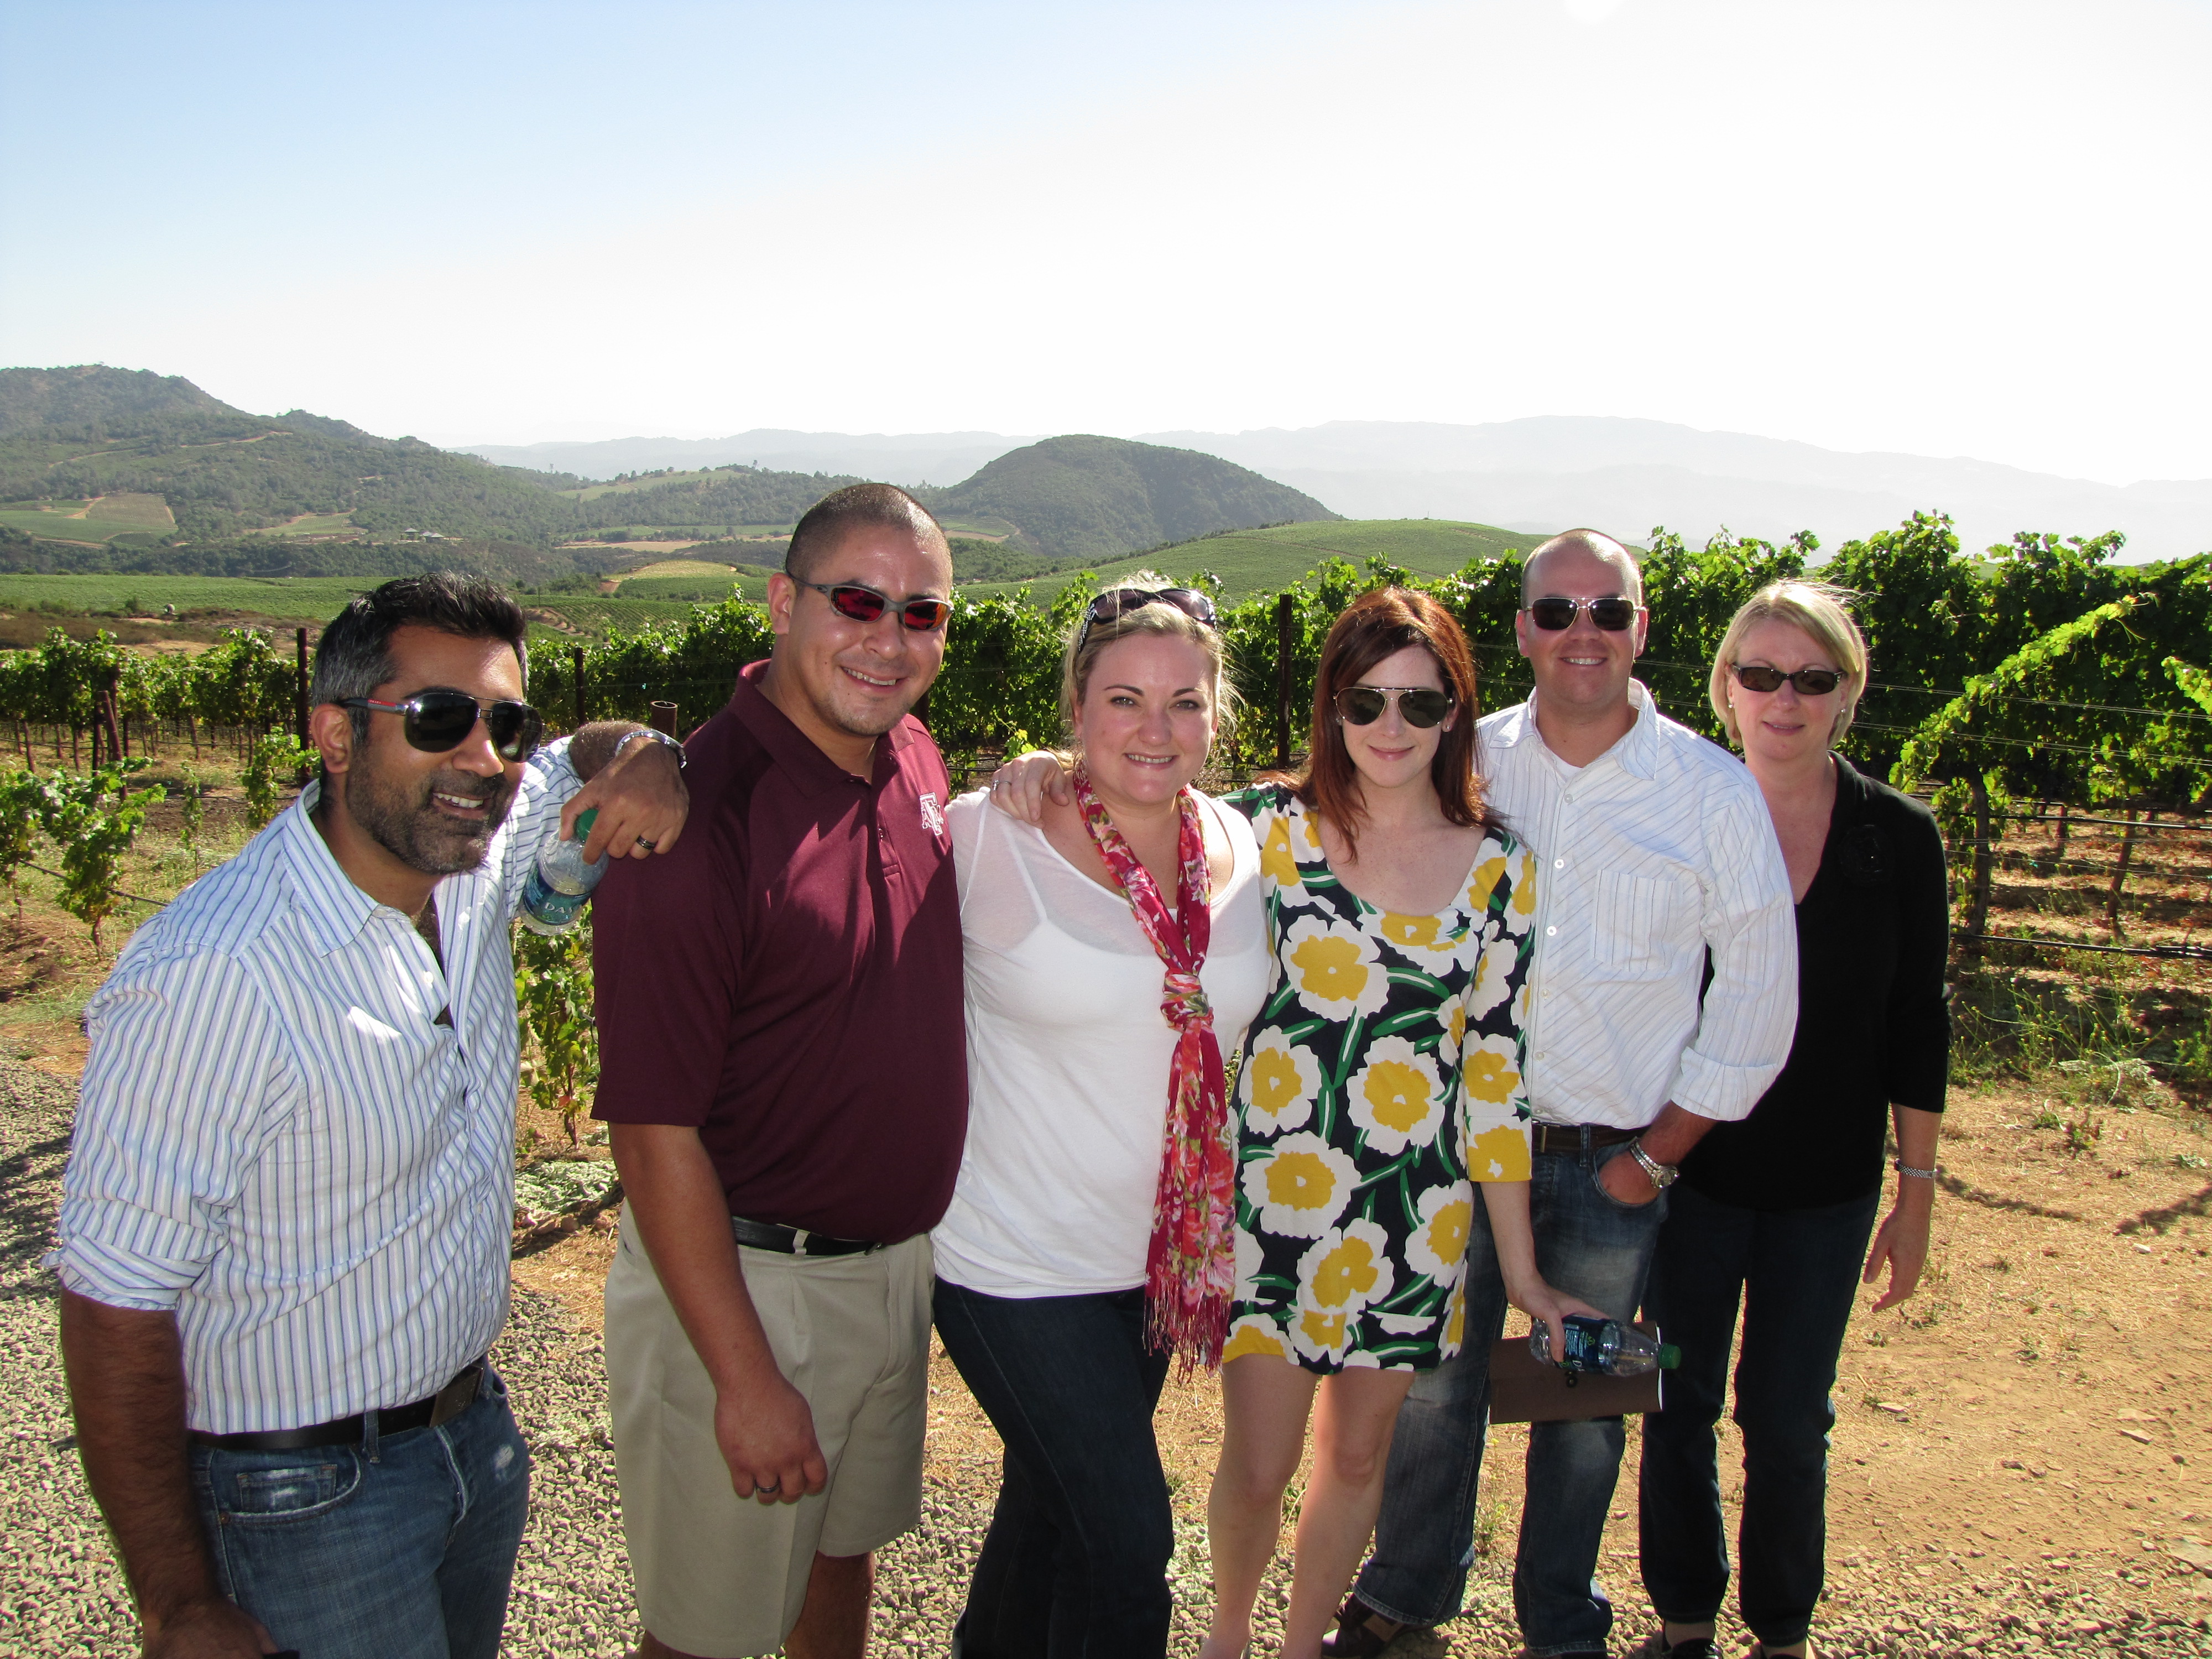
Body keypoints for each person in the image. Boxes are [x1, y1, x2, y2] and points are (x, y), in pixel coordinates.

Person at [51, 573, 688, 1659]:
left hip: (471, 1439)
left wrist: (647, 752)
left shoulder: (466, 863)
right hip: (301, 1501)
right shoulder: (216, 972)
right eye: (439, 719)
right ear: (335, 736)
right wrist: (178, 1602)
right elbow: (115, 1299)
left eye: (503, 724)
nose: (483, 758)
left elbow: (574, 757)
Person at [988, 587, 1598, 1659]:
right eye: (1365, 702)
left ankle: (1300, 1644)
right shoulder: (1259, 834)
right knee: (1259, 1463)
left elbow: (1493, 1084)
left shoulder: (1502, 868)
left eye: (1420, 703)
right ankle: (1227, 1637)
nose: (1391, 727)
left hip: (1414, 1222)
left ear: (1455, 713)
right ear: (1331, 707)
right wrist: (1048, 769)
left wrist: (1524, 1274)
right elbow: (1135, 800)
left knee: (1357, 1462)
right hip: (1268, 1208)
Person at [1329, 531, 1799, 1659]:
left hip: (1612, 1161)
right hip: (1454, 1149)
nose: (1581, 632)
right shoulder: (1464, 759)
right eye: (1555, 611)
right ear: (1522, 630)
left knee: (1585, 1410)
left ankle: (1557, 1620)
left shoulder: (1710, 791)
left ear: (1642, 627)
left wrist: (1658, 1154)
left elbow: (1759, 989)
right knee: (1431, 1385)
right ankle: (1406, 1595)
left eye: (1607, 610)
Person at [590, 482, 967, 1659]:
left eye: (921, 612)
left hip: (887, 1276)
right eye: (856, 600)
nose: (887, 638)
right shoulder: (691, 824)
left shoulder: (911, 757)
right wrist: (744, 1377)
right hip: (750, 1291)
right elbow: (652, 1133)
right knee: (702, 1632)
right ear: (781, 603)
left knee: (837, 1563)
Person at [936, 577, 1274, 1656]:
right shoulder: (988, 835)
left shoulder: (1243, 841)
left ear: (1216, 718)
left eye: (1184, 703)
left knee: (1049, 1514)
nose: (1154, 729)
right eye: (1124, 699)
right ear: (1076, 706)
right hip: (1011, 1267)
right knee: (1126, 1549)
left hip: (1153, 1266)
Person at [1636, 583, 1950, 1659]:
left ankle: (1781, 1628)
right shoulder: (1677, 822)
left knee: (1785, 1419)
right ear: (1724, 687)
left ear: (1847, 695)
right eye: (1760, 674)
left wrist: (1915, 1193)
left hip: (1826, 1188)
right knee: (1673, 1403)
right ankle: (1684, 1617)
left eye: (1812, 678)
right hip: (1690, 1178)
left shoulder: (1897, 837)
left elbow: (1917, 1022)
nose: (1784, 698)